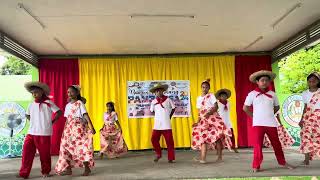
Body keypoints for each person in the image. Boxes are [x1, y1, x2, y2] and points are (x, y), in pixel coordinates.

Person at [243, 70, 294, 172]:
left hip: (271, 123)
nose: (264, 82)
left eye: (266, 80)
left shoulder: (273, 94)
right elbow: (245, 108)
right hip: (258, 124)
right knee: (257, 145)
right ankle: (256, 165)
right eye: (262, 80)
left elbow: (277, 107)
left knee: (276, 144)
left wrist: (270, 114)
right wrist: (255, 117)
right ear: (257, 82)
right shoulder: (252, 94)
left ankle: (282, 162)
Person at [18, 81, 62, 179]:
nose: (34, 94)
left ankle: (45, 171)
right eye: (33, 93)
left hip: (44, 132)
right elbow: (27, 114)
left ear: (42, 92)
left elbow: (59, 112)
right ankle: (24, 173)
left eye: (36, 92)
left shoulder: (48, 103)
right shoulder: (31, 105)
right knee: (26, 152)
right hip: (31, 132)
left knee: (44, 154)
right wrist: (33, 121)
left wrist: (52, 121)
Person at [55, 85, 96, 176]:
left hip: (78, 128)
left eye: (71, 92)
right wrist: (64, 131)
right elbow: (67, 119)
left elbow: (85, 115)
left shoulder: (79, 103)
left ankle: (87, 168)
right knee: (65, 147)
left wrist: (91, 127)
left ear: (77, 93)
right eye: (68, 92)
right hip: (69, 129)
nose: (69, 93)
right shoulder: (67, 105)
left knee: (80, 148)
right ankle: (68, 168)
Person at [192, 79, 232, 164]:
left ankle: (220, 157)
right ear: (201, 88)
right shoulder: (198, 98)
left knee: (217, 137)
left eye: (206, 87)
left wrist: (209, 113)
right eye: (203, 87)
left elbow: (215, 106)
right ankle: (203, 158)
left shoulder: (211, 96)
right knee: (203, 137)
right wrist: (197, 121)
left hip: (213, 118)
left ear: (209, 88)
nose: (204, 89)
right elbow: (200, 112)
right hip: (204, 120)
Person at [149, 83, 176, 163]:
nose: (158, 92)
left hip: (166, 124)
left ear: (163, 91)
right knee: (153, 139)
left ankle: (171, 158)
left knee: (169, 142)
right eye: (157, 91)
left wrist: (169, 116)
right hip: (157, 125)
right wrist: (158, 116)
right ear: (155, 93)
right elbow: (152, 111)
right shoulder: (153, 102)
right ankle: (158, 154)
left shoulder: (168, 100)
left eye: (160, 90)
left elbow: (173, 108)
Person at [299, 72, 320, 166]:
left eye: (314, 81)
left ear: (318, 81)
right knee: (306, 137)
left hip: (319, 116)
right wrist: (301, 119)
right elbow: (305, 106)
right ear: (308, 82)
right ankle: (306, 159)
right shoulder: (304, 93)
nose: (312, 82)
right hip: (308, 116)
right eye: (310, 81)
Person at [215, 88, 239, 153]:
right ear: (219, 97)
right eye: (222, 96)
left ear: (227, 96)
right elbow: (215, 112)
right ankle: (218, 149)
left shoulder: (228, 103)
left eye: (225, 96)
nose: (223, 97)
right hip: (220, 122)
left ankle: (234, 147)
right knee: (219, 136)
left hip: (227, 121)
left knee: (231, 135)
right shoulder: (217, 103)